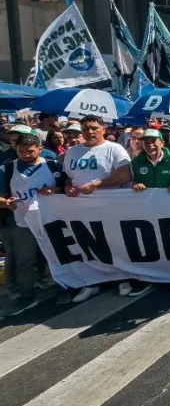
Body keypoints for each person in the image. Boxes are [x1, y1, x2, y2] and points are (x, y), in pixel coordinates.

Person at [62, 115, 134, 303]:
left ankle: (123, 278)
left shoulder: (114, 149)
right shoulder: (72, 152)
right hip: (81, 209)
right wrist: (67, 187)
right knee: (88, 245)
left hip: (110, 207)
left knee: (115, 243)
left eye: (94, 127)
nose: (90, 131)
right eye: (85, 128)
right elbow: (69, 177)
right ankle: (92, 282)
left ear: (103, 128)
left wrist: (97, 185)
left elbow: (124, 174)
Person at [0, 133, 64, 315]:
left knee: (57, 257)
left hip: (51, 220)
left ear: (40, 149)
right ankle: (27, 297)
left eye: (30, 151)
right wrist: (5, 203)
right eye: (21, 151)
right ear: (15, 149)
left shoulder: (53, 166)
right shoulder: (7, 169)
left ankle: (64, 288)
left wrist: (56, 189)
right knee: (24, 261)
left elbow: (68, 189)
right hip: (22, 223)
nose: (26, 155)